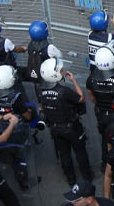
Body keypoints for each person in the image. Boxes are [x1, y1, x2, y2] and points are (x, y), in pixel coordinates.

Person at [37, 57, 92, 187]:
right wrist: (73, 80)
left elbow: (41, 106)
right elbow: (81, 98)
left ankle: (71, 179)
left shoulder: (40, 90)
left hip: (55, 128)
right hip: (72, 128)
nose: (62, 72)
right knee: (80, 151)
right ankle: (87, 176)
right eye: (60, 70)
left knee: (64, 154)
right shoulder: (64, 91)